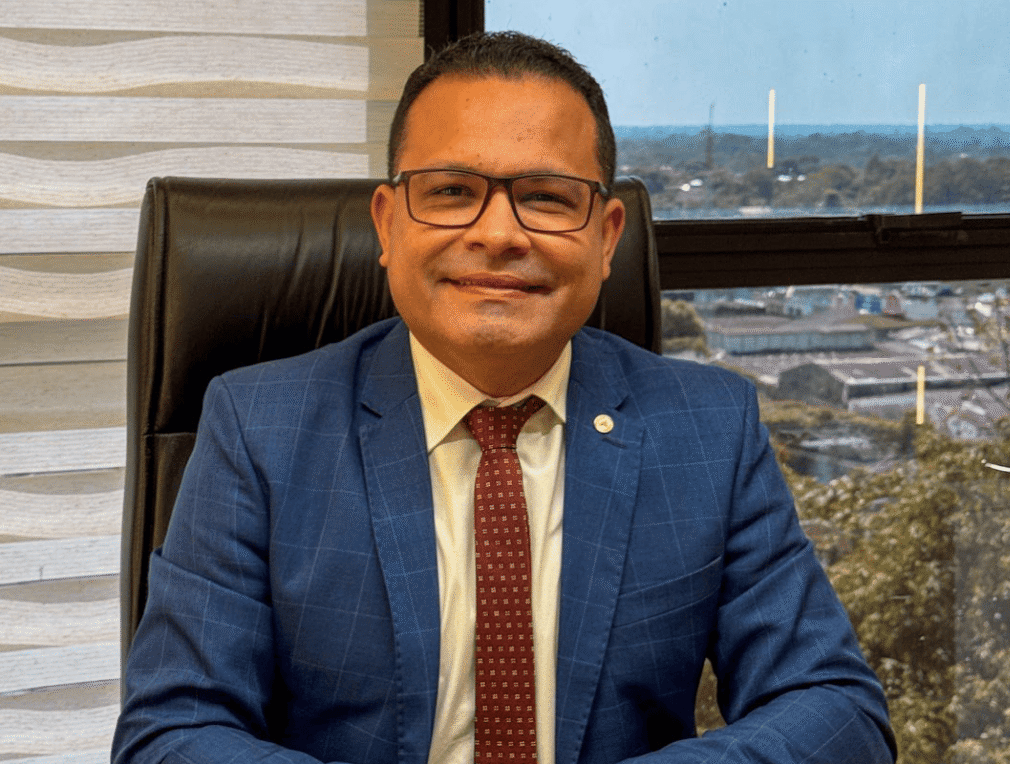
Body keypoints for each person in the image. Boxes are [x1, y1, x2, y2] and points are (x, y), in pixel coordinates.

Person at [113, 31, 896, 764]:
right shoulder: (259, 427)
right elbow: (172, 734)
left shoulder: (709, 427)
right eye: (452, 190)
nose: (497, 234)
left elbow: (837, 710)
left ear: (607, 235)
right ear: (387, 224)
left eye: (547, 197)